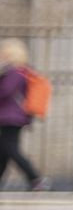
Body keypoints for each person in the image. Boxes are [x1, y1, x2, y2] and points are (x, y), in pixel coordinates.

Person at [0, 38, 46, 191]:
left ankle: (35, 178)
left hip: (10, 118)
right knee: (4, 150)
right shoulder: (14, 72)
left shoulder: (15, 72)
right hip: (9, 117)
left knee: (11, 149)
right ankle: (35, 180)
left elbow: (5, 91)